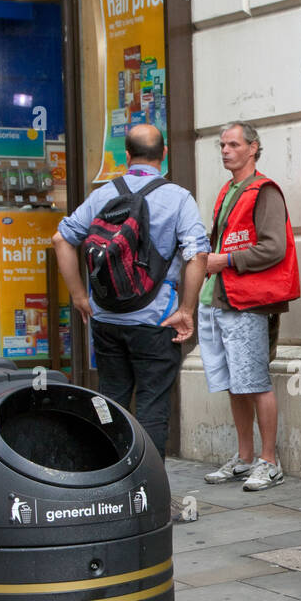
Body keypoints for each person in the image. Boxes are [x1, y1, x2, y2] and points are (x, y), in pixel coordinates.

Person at [53, 124, 209, 523]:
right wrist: (187, 310)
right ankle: (149, 500)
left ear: (126, 155)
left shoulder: (103, 194)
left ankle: (111, 497)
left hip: (106, 319)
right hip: (157, 320)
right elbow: (197, 256)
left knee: (112, 404)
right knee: (153, 410)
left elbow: (61, 240)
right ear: (165, 154)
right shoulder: (177, 198)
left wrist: (79, 297)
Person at [199, 121, 300, 492]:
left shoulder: (264, 190)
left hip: (247, 301)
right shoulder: (229, 189)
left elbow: (274, 247)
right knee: (234, 383)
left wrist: (224, 261)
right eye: (222, 145)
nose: (226, 150)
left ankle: (269, 461)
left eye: (234, 144)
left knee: (255, 381)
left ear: (253, 148)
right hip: (222, 298)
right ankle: (244, 457)